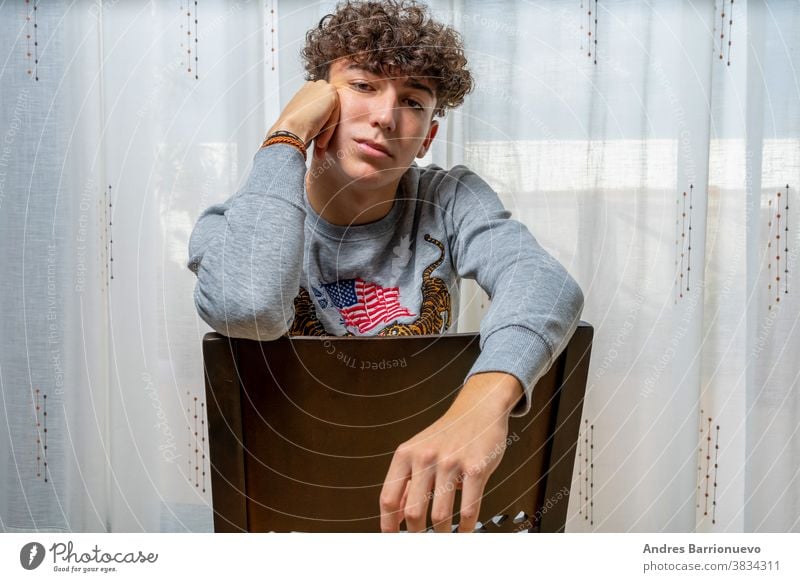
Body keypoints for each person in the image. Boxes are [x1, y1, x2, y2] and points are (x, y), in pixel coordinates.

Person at [188, 0, 583, 533]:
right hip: (291, 519)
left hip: (425, 514)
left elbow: (544, 282)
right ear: (317, 103)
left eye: (413, 100)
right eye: (363, 85)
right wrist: (286, 134)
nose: (385, 117)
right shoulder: (235, 225)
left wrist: (480, 406)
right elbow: (249, 308)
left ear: (426, 137)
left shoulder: (448, 199)